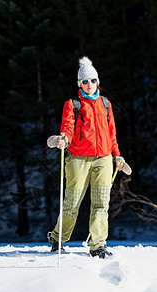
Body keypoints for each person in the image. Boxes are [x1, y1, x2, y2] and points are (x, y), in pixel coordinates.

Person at [47, 56, 124, 258]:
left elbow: (111, 134)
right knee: (72, 202)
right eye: (85, 81)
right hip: (78, 158)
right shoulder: (72, 104)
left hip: (103, 159)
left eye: (93, 80)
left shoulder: (105, 104)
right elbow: (68, 127)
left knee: (101, 203)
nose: (89, 85)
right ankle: (58, 238)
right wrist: (63, 138)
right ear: (79, 83)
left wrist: (117, 155)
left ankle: (98, 245)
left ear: (98, 82)